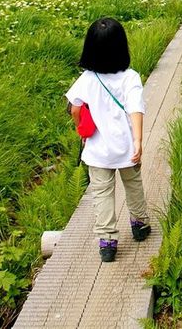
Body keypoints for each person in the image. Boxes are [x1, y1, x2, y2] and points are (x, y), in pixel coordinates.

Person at [66, 17, 152, 262]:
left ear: (90, 49)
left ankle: (107, 241)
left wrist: (81, 130)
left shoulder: (87, 79)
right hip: (126, 149)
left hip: (98, 151)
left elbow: (74, 107)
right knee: (133, 185)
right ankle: (139, 224)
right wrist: (138, 141)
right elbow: (135, 108)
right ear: (122, 47)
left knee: (102, 192)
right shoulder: (130, 77)